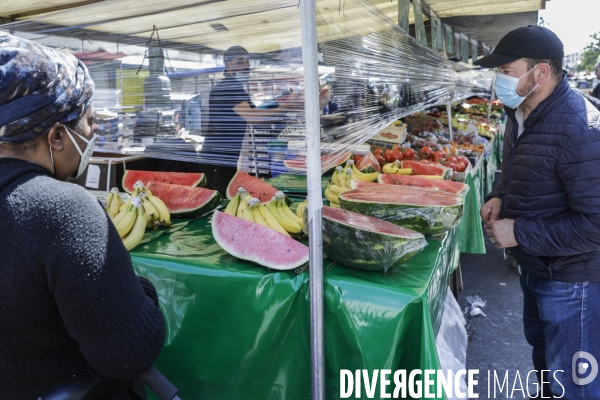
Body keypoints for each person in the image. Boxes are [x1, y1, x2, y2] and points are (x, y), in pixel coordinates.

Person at [0, 33, 166, 399]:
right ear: (57, 136)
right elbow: (129, 355)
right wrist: (138, 288)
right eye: (89, 122)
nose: (93, 135)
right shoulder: (64, 209)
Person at [476, 26, 600, 398]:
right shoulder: (521, 110)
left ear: (540, 73)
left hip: (570, 281)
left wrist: (520, 232)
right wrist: (500, 193)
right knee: (548, 364)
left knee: (574, 380)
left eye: (506, 71)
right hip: (537, 267)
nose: (498, 80)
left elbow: (596, 224)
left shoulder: (579, 128)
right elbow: (513, 165)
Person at [202, 45, 330, 194]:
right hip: (217, 160)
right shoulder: (228, 88)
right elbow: (255, 118)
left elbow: (260, 116)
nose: (246, 65)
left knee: (226, 196)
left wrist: (283, 102)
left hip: (224, 159)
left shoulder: (235, 87)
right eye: (240, 61)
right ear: (228, 66)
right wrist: (289, 105)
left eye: (247, 61)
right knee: (219, 198)